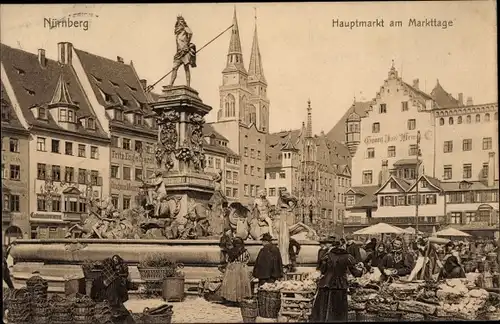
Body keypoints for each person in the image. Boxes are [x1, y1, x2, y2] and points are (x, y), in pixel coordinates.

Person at [311, 236, 364, 322]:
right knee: (338, 312)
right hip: (340, 285)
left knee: (323, 310)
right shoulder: (348, 257)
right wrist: (362, 270)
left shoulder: (327, 255)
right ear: (342, 246)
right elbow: (356, 273)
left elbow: (322, 270)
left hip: (325, 285)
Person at [92, 255, 135, 324]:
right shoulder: (117, 279)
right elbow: (124, 295)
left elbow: (93, 295)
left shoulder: (97, 280)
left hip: (103, 308)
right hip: (116, 307)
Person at [219, 237, 252, 304]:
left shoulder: (231, 251)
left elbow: (227, 260)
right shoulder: (245, 251)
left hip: (232, 269)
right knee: (242, 284)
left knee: (232, 285)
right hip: (242, 268)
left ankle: (232, 299)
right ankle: (241, 299)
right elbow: (248, 259)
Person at [169, 15, 197, 87]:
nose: (180, 23)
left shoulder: (185, 28)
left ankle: (188, 85)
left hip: (185, 52)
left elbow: (190, 33)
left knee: (186, 68)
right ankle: (170, 84)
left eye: (181, 21)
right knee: (174, 68)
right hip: (179, 53)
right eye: (179, 21)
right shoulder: (177, 32)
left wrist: (187, 43)